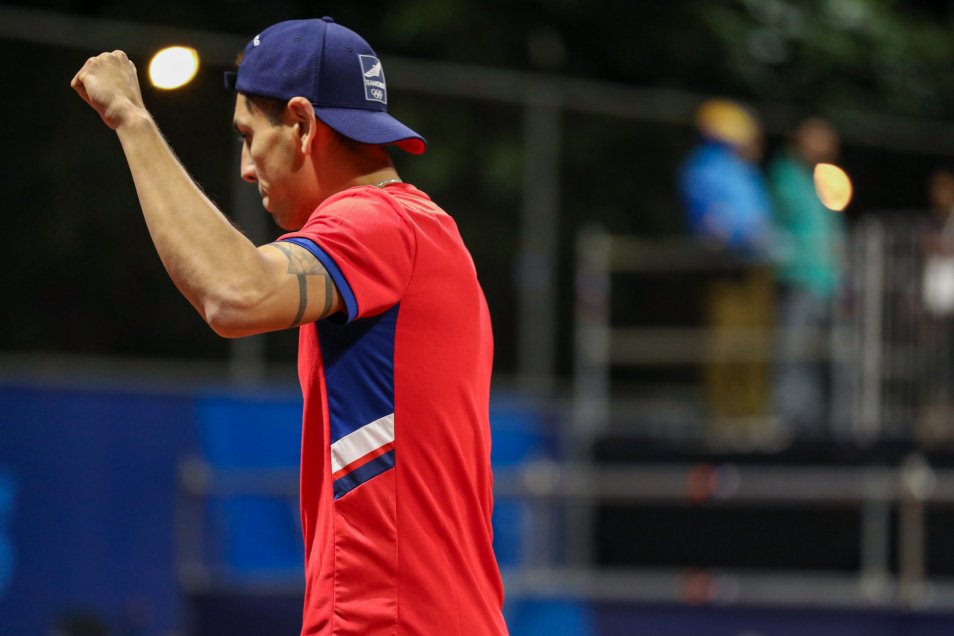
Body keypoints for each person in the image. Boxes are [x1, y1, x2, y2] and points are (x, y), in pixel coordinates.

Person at [71, 17, 507, 635]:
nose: (246, 168)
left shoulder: (376, 223)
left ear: (302, 125)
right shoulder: (420, 231)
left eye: (249, 136)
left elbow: (234, 295)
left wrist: (133, 121)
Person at [678, 99, 776, 440]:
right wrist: (740, 234)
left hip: (754, 267)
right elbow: (713, 225)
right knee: (727, 343)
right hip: (726, 269)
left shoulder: (745, 172)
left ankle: (751, 416)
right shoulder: (703, 169)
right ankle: (722, 419)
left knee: (756, 345)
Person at [767, 117, 845, 440]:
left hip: (826, 283)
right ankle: (788, 422)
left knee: (820, 355)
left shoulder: (820, 179)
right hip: (799, 278)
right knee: (794, 351)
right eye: (820, 139)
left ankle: (815, 425)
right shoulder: (786, 175)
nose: (827, 147)